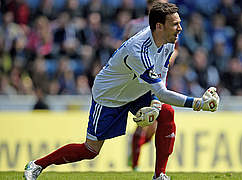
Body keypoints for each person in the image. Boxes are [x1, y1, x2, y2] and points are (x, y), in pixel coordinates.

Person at [23, 2, 220, 180]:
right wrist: (198, 103)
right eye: (175, 24)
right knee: (90, 150)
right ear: (159, 26)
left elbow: (162, 78)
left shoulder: (168, 42)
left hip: (137, 89)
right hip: (110, 96)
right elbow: (161, 91)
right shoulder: (139, 51)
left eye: (179, 23)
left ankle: (160, 175)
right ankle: (38, 165)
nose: (180, 28)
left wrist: (155, 104)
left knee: (167, 112)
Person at [123, 0, 179, 171]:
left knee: (152, 125)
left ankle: (135, 151)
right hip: (141, 78)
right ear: (149, 6)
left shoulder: (171, 27)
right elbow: (125, 48)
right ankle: (135, 165)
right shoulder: (134, 25)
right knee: (147, 119)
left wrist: (169, 59)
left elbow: (175, 49)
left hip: (160, 76)